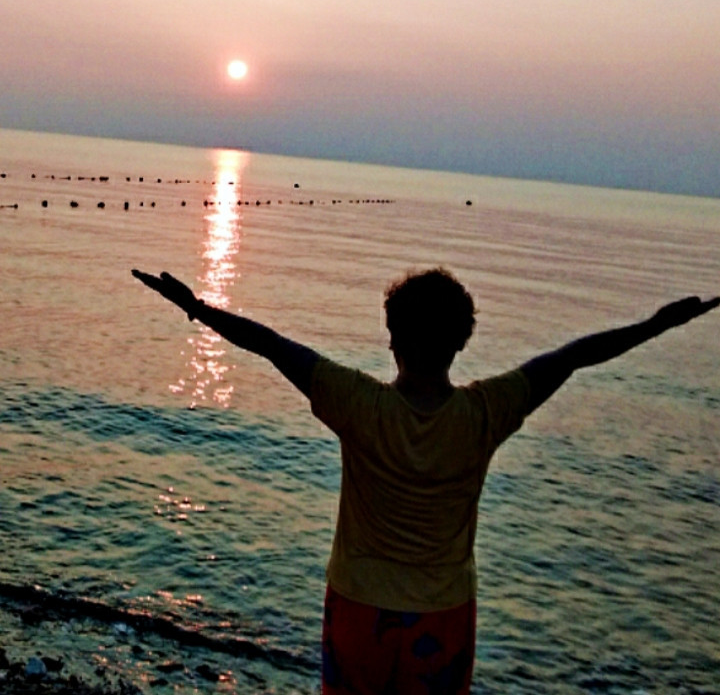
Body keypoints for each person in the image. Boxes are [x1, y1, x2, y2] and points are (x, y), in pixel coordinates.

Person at [131, 267, 718, 695]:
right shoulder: (485, 412)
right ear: (462, 341)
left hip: (359, 609)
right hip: (443, 617)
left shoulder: (358, 403)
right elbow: (572, 356)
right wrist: (656, 326)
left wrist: (197, 307)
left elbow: (270, 345)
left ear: (392, 338)